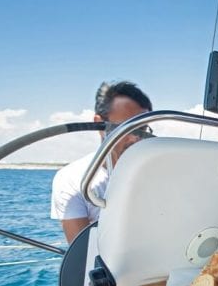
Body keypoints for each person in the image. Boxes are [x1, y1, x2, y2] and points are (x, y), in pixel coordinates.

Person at [50, 81, 153, 243]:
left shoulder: (158, 173)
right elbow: (81, 252)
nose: (135, 137)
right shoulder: (72, 178)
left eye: (143, 129)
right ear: (99, 124)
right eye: (126, 127)